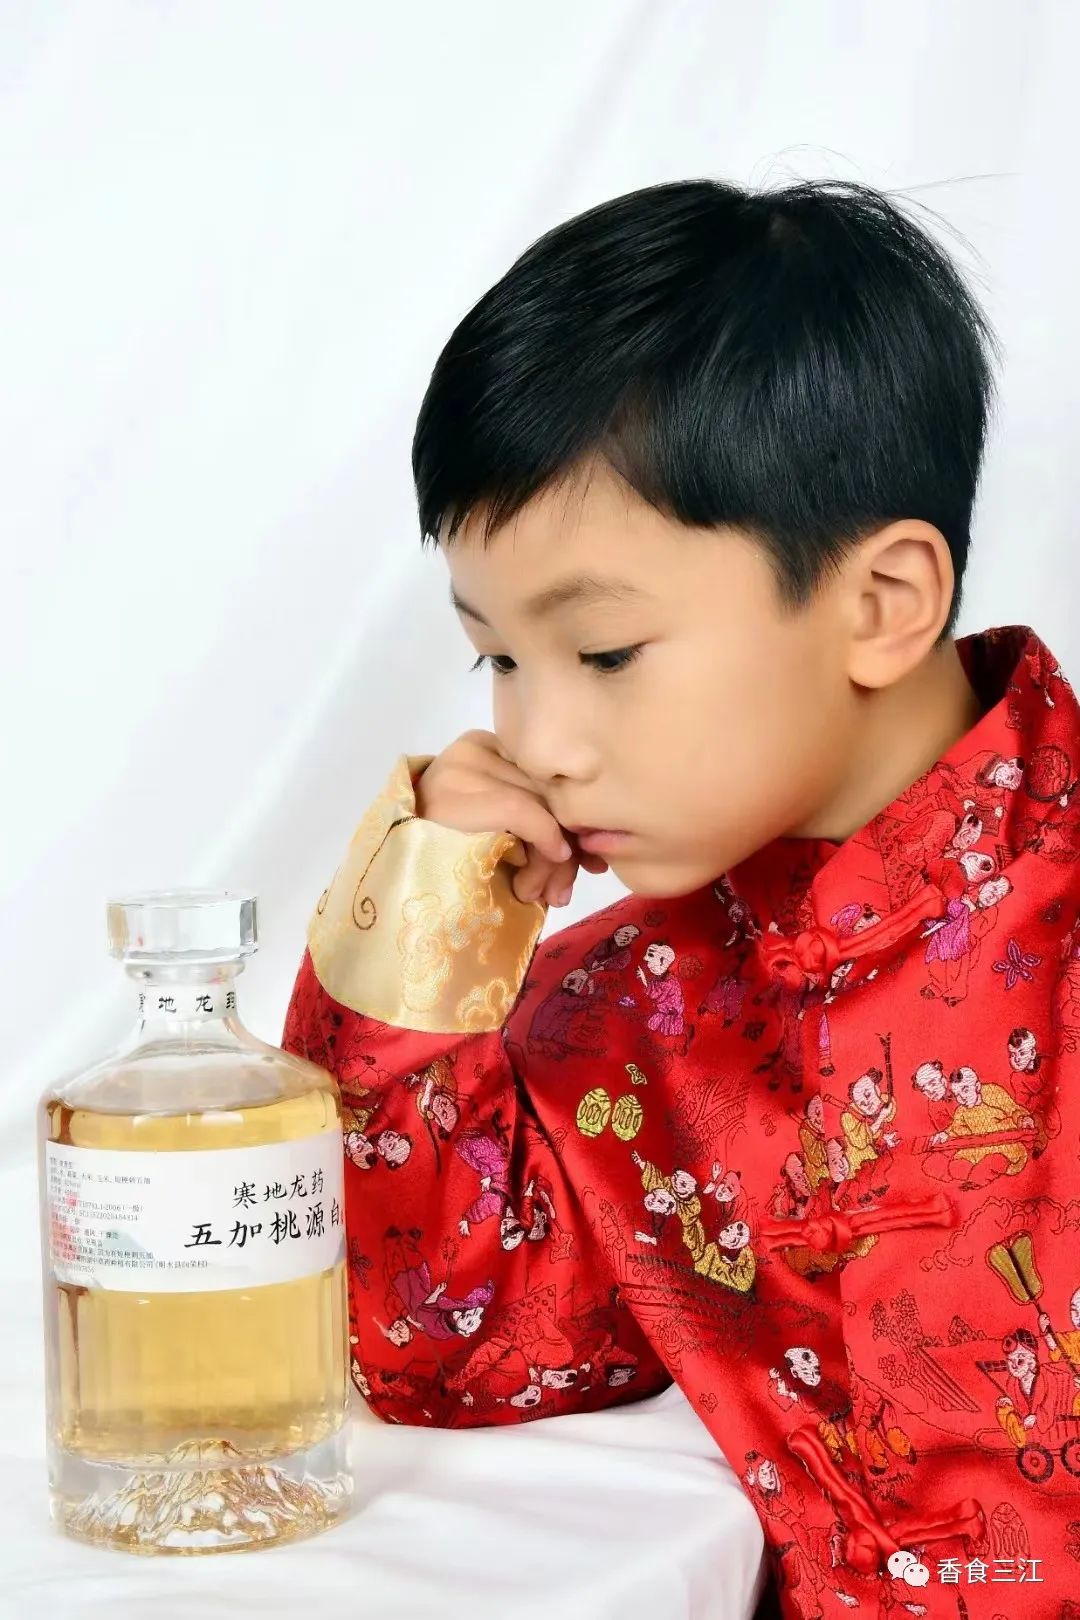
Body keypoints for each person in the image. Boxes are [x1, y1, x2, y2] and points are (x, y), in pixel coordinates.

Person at [282, 178, 1080, 1617]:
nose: (538, 743)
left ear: (883, 602)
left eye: (603, 653)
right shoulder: (621, 1013)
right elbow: (443, 1344)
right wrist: (432, 912)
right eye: (498, 660)